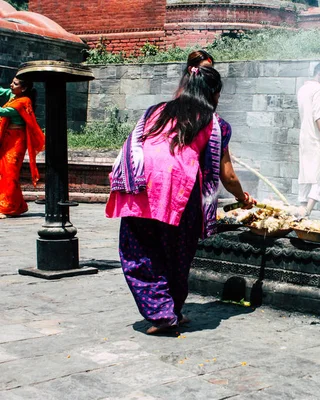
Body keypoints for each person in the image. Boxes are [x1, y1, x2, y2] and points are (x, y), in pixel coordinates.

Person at [105, 64, 255, 335]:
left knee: (139, 252)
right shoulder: (215, 123)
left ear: (183, 86)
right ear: (215, 94)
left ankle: (165, 312)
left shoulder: (156, 111)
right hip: (182, 196)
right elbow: (228, 175)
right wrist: (242, 198)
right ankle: (168, 312)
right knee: (179, 255)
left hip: (141, 188)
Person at [0, 76, 45, 218]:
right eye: (12, 82)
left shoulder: (24, 102)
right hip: (7, 139)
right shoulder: (14, 95)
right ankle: (17, 206)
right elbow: (2, 91)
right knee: (4, 172)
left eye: (15, 83)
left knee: (11, 174)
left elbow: (3, 112)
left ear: (24, 88)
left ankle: (7, 207)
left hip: (17, 141)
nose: (11, 85)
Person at [297, 63, 320, 216]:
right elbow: (318, 116)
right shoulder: (318, 89)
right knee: (319, 177)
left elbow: (309, 110)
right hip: (316, 140)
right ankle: (306, 213)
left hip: (305, 138)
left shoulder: (303, 89)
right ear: (319, 74)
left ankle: (301, 211)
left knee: (305, 175)